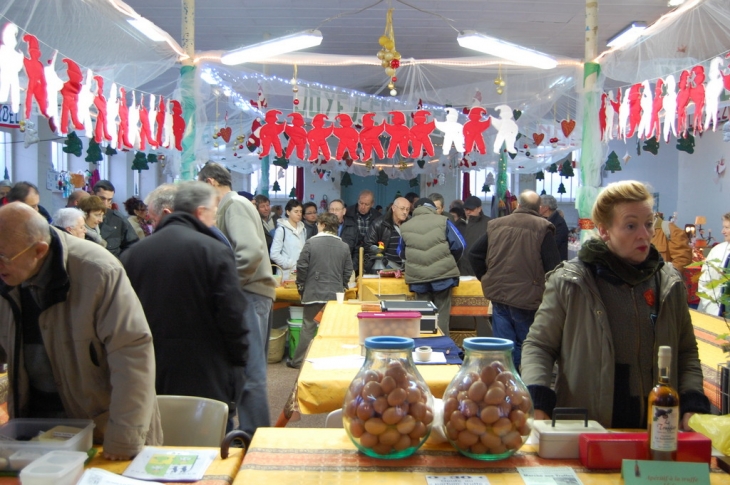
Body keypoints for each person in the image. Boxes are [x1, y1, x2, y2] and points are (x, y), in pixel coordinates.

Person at [521, 180, 710, 430]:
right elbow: (539, 345)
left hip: (657, 432)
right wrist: (538, 400)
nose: (644, 234)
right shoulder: (573, 282)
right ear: (604, 230)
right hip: (586, 428)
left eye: (648, 224)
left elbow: (685, 353)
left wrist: (692, 402)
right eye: (630, 226)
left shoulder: (668, 284)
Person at [0, 202, 161, 459]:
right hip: (33, 428)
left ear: (39, 251)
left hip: (101, 427)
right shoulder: (9, 274)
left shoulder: (96, 270)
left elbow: (132, 355)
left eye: (3, 258)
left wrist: (123, 440)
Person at [121, 182, 249, 427]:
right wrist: (238, 364)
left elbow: (123, 317)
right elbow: (233, 316)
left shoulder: (133, 255)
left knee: (155, 439)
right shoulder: (213, 250)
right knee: (208, 443)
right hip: (206, 368)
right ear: (199, 212)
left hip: (150, 366)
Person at [198, 161, 276, 435]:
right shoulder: (237, 205)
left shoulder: (234, 205)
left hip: (249, 293)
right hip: (253, 293)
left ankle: (255, 438)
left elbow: (251, 253)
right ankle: (255, 434)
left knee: (249, 374)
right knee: (249, 372)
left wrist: (229, 287)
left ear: (209, 183)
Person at [468, 190, 560, 369]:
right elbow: (553, 267)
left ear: (518, 205)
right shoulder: (543, 227)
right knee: (527, 347)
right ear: (539, 208)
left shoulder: (496, 224)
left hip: (499, 296)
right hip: (528, 298)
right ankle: (523, 388)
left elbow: (474, 254)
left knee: (503, 347)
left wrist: (486, 277)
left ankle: (504, 385)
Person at [290, 212, 353, 369]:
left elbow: (302, 266)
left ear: (323, 224)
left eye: (318, 224)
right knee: (333, 329)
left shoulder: (311, 243)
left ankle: (298, 361)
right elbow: (348, 270)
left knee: (308, 327)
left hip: (313, 291)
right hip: (335, 294)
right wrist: (342, 284)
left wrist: (301, 285)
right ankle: (331, 360)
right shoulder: (344, 246)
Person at [401, 198, 465, 336]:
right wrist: (449, 261)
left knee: (423, 316)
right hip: (443, 276)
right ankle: (442, 349)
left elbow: (401, 252)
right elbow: (460, 245)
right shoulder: (443, 221)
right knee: (441, 314)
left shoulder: (405, 226)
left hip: (418, 277)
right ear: (432, 208)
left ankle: (423, 350)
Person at [363, 197, 410, 273]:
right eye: (402, 208)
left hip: (408, 268)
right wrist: (382, 261)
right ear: (393, 208)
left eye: (407, 209)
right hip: (387, 266)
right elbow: (369, 245)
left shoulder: (411, 223)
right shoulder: (379, 223)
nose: (405, 212)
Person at [92, 180, 138, 257]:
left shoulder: (118, 220)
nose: (105, 203)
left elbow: (132, 246)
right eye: (102, 198)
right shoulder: (79, 218)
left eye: (109, 200)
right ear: (92, 195)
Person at [697, 212, 730, 317]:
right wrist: (709, 305)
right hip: (715, 311)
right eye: (723, 227)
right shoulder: (717, 251)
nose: (722, 231)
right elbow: (704, 280)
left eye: (726, 227)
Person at [270, 199, 307, 280]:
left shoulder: (303, 229)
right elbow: (274, 254)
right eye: (296, 211)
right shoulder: (281, 230)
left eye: (300, 211)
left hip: (301, 272)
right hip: (286, 273)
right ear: (288, 212)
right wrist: (289, 264)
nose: (299, 214)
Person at [345, 189, 379, 273]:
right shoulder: (347, 213)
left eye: (366, 204)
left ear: (372, 204)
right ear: (358, 201)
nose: (363, 207)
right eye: (361, 203)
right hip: (351, 252)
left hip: (370, 254)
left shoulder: (378, 217)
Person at [459, 196, 491, 276]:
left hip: (480, 269)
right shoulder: (459, 224)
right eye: (466, 209)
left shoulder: (489, 224)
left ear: (479, 209)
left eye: (471, 209)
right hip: (462, 269)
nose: (468, 212)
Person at [329, 199, 359, 267]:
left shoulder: (352, 226)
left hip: (347, 267)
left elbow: (357, 250)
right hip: (328, 269)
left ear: (344, 211)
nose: (334, 212)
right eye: (332, 209)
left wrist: (352, 266)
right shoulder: (323, 227)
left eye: (337, 209)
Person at [539, 194, 569, 261]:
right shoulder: (543, 219)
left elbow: (553, 244)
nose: (537, 207)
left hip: (556, 262)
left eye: (539, 205)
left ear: (546, 207)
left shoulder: (559, 223)